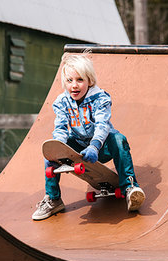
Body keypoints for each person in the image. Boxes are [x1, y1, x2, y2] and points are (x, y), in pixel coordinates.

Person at [32, 52, 145, 221]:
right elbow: (61, 127)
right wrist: (59, 148)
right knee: (51, 151)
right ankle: (53, 199)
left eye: (79, 80)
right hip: (78, 144)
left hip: (102, 146)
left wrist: (94, 145)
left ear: (89, 81)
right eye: (70, 81)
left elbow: (102, 125)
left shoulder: (101, 98)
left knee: (119, 140)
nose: (74, 86)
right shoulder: (62, 102)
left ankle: (130, 188)